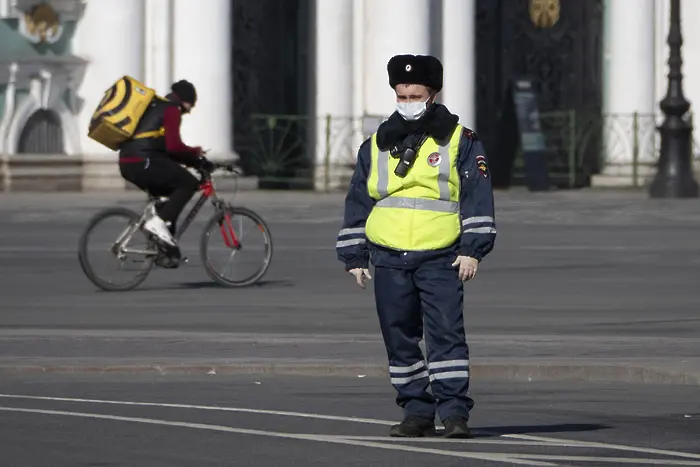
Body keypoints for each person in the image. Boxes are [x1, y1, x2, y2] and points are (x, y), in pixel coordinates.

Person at [336, 54, 497, 438]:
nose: (407, 101)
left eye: (416, 94)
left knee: (446, 335)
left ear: (433, 93)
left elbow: (477, 195)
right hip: (388, 256)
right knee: (399, 337)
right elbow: (359, 200)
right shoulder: (375, 144)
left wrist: (473, 249)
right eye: (402, 94)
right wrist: (354, 256)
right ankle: (416, 411)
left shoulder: (461, 139)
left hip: (441, 256)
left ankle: (454, 412)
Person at [118, 79, 215, 249]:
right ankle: (158, 223)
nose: (190, 110)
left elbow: (165, 149)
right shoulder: (171, 110)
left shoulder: (156, 106)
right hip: (144, 161)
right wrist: (196, 153)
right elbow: (174, 147)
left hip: (129, 162)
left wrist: (194, 162)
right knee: (189, 183)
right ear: (185, 100)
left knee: (169, 194)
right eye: (191, 104)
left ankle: (164, 246)